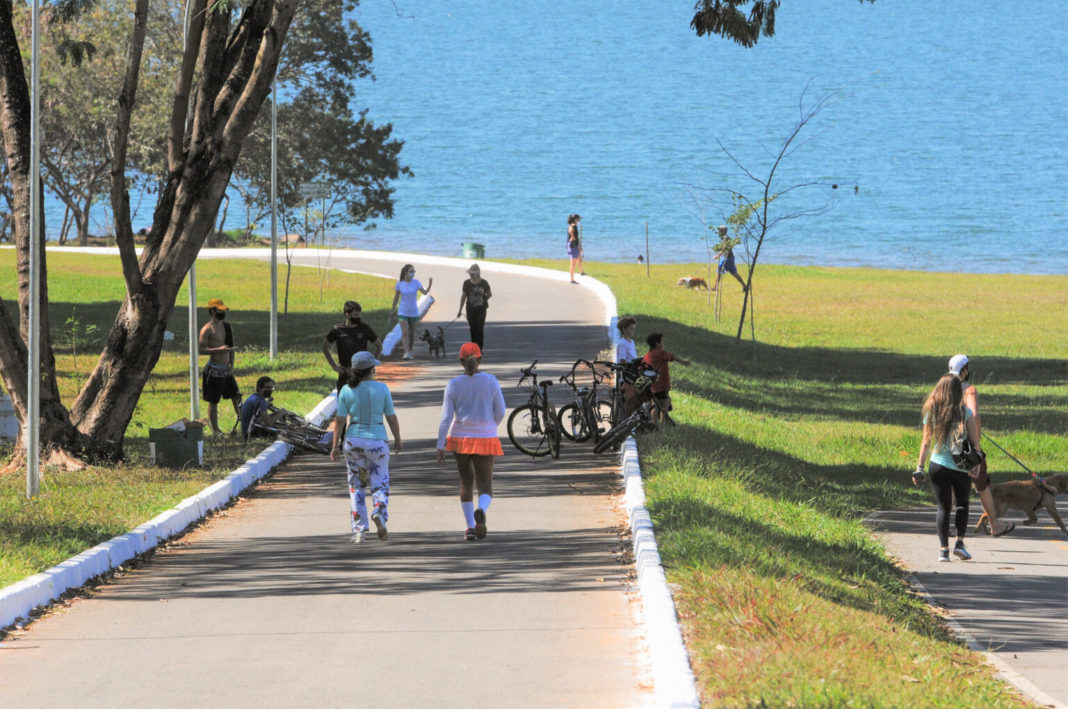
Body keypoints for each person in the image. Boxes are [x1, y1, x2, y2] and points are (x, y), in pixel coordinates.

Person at [912, 373, 1011, 563]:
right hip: (960, 467)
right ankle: (959, 544)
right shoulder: (965, 413)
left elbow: (926, 442)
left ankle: (943, 551)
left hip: (937, 465)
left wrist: (919, 467)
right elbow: (976, 444)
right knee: (962, 505)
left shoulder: (931, 411)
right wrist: (976, 465)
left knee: (943, 507)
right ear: (958, 392)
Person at [436, 342, 506, 541]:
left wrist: (440, 445)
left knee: (466, 482)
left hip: (460, 438)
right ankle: (481, 510)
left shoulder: (453, 384)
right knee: (486, 484)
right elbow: (501, 410)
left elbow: (445, 418)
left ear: (460, 361)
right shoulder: (491, 381)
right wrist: (492, 425)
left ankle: (469, 527)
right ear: (480, 359)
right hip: (486, 437)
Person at [330, 351, 402, 544]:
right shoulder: (382, 389)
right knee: (379, 481)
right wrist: (397, 438)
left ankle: (359, 530)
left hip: (354, 444)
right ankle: (378, 510)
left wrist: (335, 445)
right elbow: (391, 417)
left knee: (357, 484)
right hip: (376, 443)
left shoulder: (346, 390)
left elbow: (339, 420)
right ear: (371, 370)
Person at [947, 353, 1014, 536]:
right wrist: (976, 443)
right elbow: (974, 415)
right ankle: (994, 525)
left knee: (953, 485)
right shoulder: (969, 390)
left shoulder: (944, 387)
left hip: (949, 443)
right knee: (982, 485)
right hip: (968, 446)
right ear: (965, 370)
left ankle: (945, 526)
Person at [198, 297, 242, 436]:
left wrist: (232, 365)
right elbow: (201, 350)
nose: (222, 313)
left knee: (236, 396)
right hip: (214, 370)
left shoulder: (227, 327)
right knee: (213, 401)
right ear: (212, 311)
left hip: (226, 369)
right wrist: (219, 350)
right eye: (219, 310)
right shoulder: (207, 330)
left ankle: (244, 423)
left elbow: (231, 348)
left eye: (223, 310)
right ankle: (216, 431)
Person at [322, 300, 382, 392]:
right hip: (344, 374)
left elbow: (379, 346)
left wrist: (371, 363)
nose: (358, 318)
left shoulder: (365, 329)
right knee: (343, 404)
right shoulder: (337, 330)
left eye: (359, 315)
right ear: (347, 315)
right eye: (355, 315)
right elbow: (325, 347)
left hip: (362, 375)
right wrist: (334, 366)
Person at [642, 332, 691, 426]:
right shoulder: (660, 353)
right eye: (662, 342)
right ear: (657, 344)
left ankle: (654, 424)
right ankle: (661, 423)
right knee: (664, 405)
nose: (663, 344)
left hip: (652, 385)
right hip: (661, 385)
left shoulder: (648, 355)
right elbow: (672, 356)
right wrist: (684, 362)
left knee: (654, 405)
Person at [390, 263, 432, 360]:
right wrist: (392, 310)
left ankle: (410, 350)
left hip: (413, 311)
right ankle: (406, 352)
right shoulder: (399, 283)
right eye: (411, 271)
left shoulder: (416, 282)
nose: (413, 273)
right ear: (406, 272)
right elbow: (396, 297)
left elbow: (425, 293)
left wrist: (429, 285)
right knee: (405, 332)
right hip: (402, 311)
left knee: (411, 333)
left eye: (414, 271)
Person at [456, 264, 492, 349]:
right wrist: (460, 310)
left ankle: (479, 348)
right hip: (470, 309)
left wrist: (483, 299)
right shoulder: (466, 283)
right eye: (470, 274)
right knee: (472, 328)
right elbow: (464, 296)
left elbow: (489, 294)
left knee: (479, 328)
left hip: (481, 309)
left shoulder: (484, 283)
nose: (471, 275)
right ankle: (474, 347)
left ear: (478, 273)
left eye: (473, 274)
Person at [615, 316, 641, 416]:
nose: (633, 331)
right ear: (624, 329)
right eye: (630, 328)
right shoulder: (622, 343)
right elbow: (622, 361)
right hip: (626, 376)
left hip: (633, 373)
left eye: (634, 328)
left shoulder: (632, 342)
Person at [711, 227, 747, 292]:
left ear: (723, 231)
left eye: (720, 231)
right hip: (731, 258)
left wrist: (717, 255)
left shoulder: (725, 238)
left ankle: (715, 288)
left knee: (718, 272)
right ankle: (745, 286)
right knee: (734, 274)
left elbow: (725, 248)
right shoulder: (726, 238)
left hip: (727, 258)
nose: (719, 232)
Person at [566, 214, 585, 284]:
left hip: (572, 245)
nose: (579, 220)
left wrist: (579, 246)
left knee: (574, 262)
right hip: (573, 246)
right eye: (578, 219)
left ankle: (572, 279)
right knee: (573, 264)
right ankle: (572, 280)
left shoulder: (571, 225)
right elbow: (570, 231)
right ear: (575, 219)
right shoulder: (573, 226)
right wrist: (573, 236)